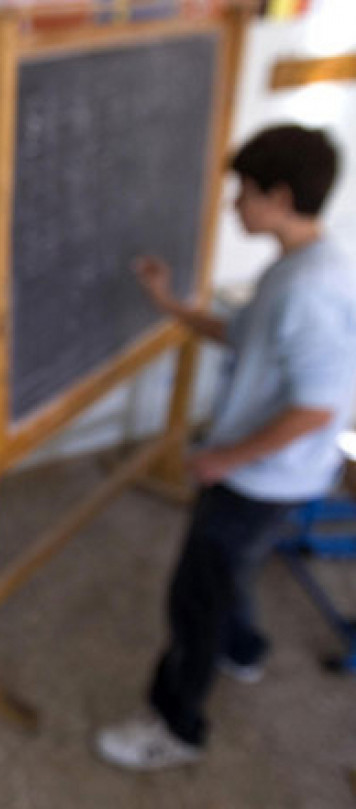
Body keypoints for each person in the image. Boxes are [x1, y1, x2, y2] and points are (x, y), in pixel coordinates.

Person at [95, 124, 356, 770]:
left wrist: (224, 460)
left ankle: (175, 725)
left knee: (195, 599)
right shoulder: (299, 266)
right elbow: (244, 335)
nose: (235, 204)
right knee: (230, 570)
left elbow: (318, 407)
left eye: (245, 191)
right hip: (270, 474)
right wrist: (169, 304)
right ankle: (244, 648)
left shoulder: (307, 288)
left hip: (262, 477)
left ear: (281, 195)